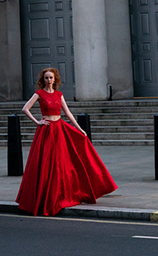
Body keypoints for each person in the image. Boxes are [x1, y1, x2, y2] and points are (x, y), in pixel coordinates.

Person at [15, 68, 117, 216]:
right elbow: (25, 108)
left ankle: (62, 194)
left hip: (60, 129)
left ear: (55, 79)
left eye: (51, 78)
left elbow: (67, 113)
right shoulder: (39, 94)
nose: (49, 80)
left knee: (62, 163)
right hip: (47, 131)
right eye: (46, 78)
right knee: (46, 164)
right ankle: (45, 197)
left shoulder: (59, 94)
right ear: (43, 80)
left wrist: (80, 129)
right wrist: (38, 122)